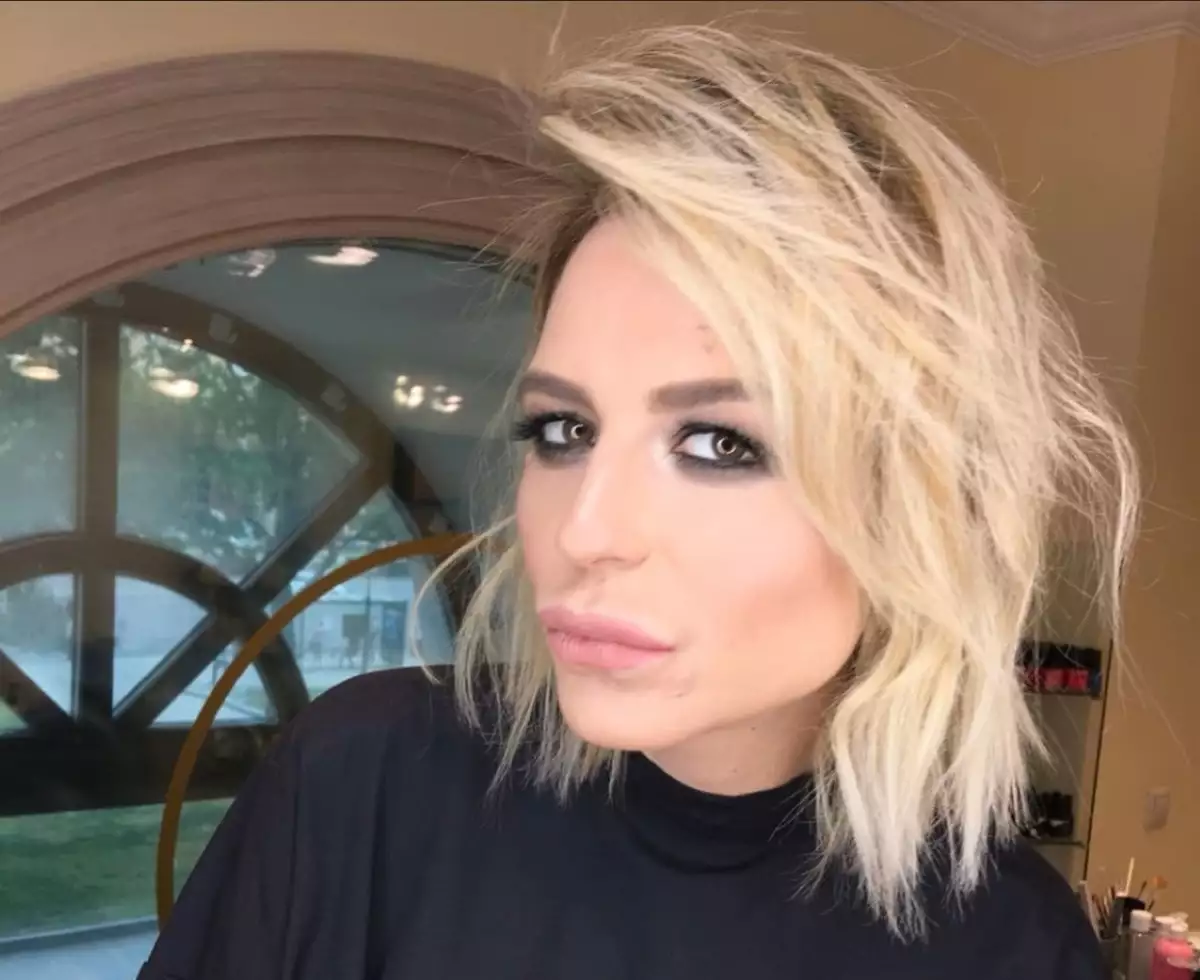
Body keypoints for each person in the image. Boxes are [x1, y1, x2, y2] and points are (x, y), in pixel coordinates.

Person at [139, 25, 1138, 980]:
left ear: (925, 505)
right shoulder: (365, 784)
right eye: (562, 431)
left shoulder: (1013, 946)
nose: (586, 529)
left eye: (721, 443)